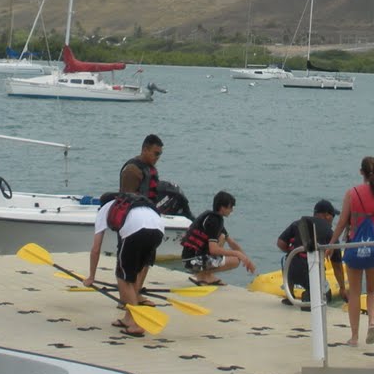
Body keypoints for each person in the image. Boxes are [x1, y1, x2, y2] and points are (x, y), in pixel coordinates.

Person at [331, 155, 374, 346]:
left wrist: (331, 244)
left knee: (354, 293)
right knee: (373, 290)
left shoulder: (352, 194)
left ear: (361, 172)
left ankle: (354, 337)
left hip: (354, 247)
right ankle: (371, 323)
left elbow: (342, 223)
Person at [84, 191, 165, 337]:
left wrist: (91, 277)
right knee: (133, 275)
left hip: (136, 231)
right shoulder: (133, 203)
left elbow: (96, 249)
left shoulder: (104, 209)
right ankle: (128, 318)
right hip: (158, 229)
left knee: (122, 277)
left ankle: (136, 324)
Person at [276, 198, 347, 306]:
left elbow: (280, 243)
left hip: (291, 270)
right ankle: (309, 295)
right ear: (327, 216)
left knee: (286, 258)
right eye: (333, 216)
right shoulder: (331, 233)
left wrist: (293, 253)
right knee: (327, 297)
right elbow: (337, 265)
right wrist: (342, 288)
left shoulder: (298, 223)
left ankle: (290, 295)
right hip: (311, 270)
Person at [179, 191, 256, 284]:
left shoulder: (212, 217)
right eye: (230, 207)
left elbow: (231, 242)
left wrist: (247, 260)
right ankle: (203, 276)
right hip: (193, 262)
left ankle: (205, 275)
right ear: (222, 208)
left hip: (189, 260)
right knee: (235, 260)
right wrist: (238, 254)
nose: (232, 210)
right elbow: (213, 250)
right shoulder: (214, 221)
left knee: (222, 237)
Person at [120, 133, 192, 218]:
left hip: (149, 209)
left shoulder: (149, 168)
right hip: (137, 215)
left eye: (160, 154)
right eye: (156, 154)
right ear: (145, 150)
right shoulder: (132, 171)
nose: (158, 157)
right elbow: (127, 200)